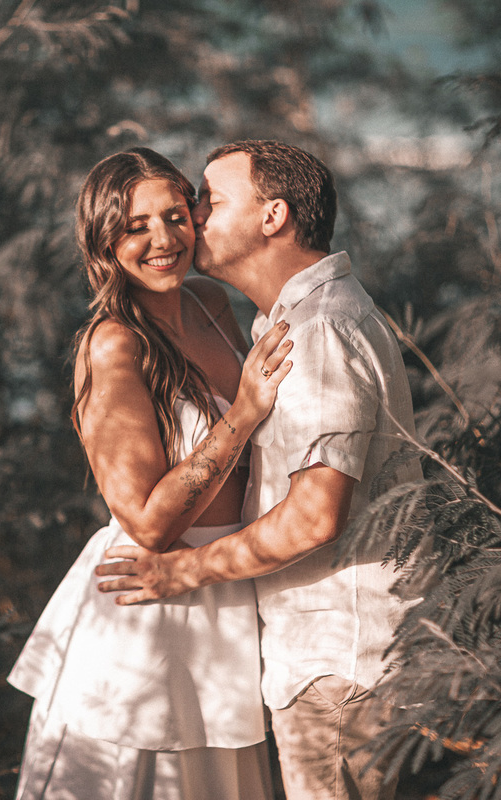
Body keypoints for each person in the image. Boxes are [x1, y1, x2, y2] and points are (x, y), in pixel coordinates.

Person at [96, 140, 423, 800]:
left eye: (209, 201)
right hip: (324, 654)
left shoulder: (319, 333)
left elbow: (313, 517)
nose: (191, 217)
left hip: (339, 662)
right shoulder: (280, 321)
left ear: (272, 215)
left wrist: (178, 571)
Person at [7, 147, 293, 800]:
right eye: (136, 226)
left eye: (173, 216)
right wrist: (244, 413)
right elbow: (149, 522)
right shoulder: (114, 345)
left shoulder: (213, 304)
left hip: (223, 597)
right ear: (103, 239)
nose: (162, 240)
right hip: (145, 614)